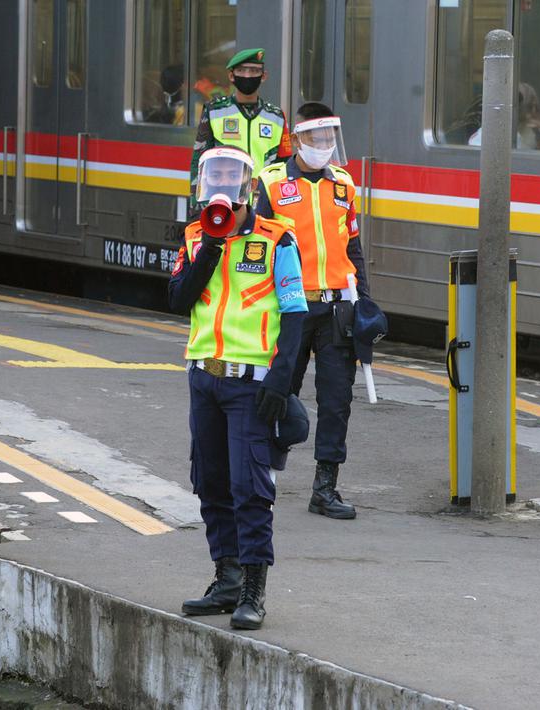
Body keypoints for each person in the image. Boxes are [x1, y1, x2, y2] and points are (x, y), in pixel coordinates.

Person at [169, 147, 307, 630]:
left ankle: (253, 589)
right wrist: (211, 242)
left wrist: (281, 381)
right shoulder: (193, 235)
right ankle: (224, 576)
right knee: (210, 481)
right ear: (202, 182)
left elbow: (294, 316)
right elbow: (179, 299)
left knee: (250, 487)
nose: (223, 182)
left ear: (249, 186)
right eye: (215, 173)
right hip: (204, 376)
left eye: (232, 174)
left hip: (251, 383)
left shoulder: (277, 239)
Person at [256, 102, 366, 520]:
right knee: (278, 392)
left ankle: (325, 488)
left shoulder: (343, 184)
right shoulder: (271, 183)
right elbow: (258, 245)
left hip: (337, 307)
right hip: (291, 308)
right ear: (298, 139)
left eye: (329, 138)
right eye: (317, 138)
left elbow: (353, 245)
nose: (325, 146)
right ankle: (263, 477)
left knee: (337, 401)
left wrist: (366, 301)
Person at [187, 48, 291, 211]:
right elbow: (199, 159)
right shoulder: (214, 110)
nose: (248, 76)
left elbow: (284, 164)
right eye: (242, 71)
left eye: (254, 71)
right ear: (231, 75)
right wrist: (196, 203)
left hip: (264, 204)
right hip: (223, 202)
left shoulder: (276, 116)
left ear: (263, 76)